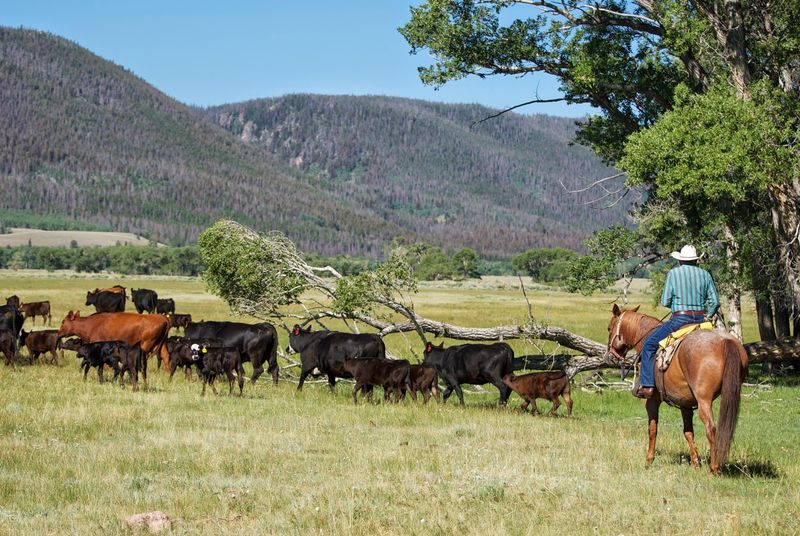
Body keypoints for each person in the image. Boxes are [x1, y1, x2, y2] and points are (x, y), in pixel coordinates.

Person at [635, 244, 720, 399]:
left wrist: (676, 305)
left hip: (679, 320)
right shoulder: (705, 274)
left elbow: (665, 300)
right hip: (701, 321)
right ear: (696, 261)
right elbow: (715, 302)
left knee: (648, 345)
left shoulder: (673, 274)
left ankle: (648, 386)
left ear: (681, 261)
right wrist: (708, 314)